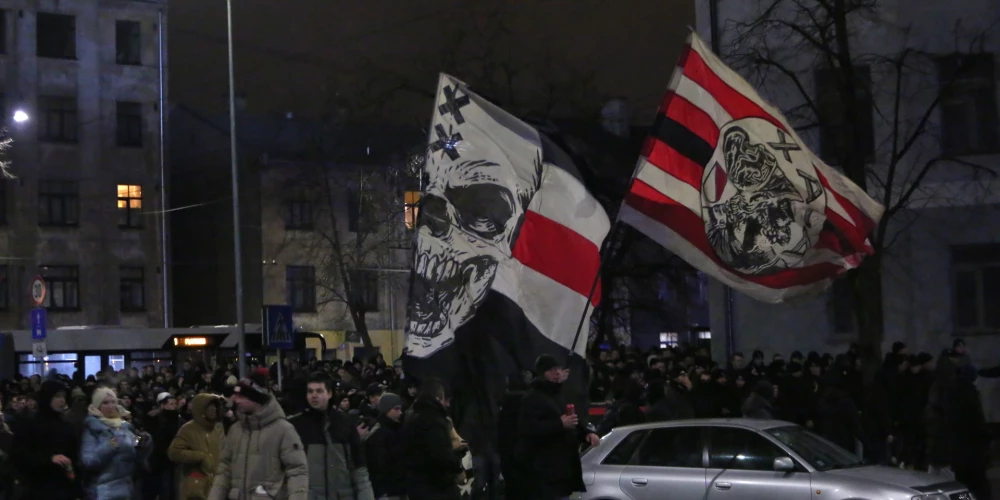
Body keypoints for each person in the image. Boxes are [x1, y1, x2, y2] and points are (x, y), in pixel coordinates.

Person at [208, 370, 309, 500]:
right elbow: (224, 471)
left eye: (241, 396)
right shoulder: (235, 430)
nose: (235, 399)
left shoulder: (283, 430)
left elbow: (297, 472)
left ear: (256, 398)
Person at [517, 355, 600, 500]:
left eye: (559, 369)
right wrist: (559, 424)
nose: (557, 372)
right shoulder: (532, 398)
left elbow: (571, 421)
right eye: (552, 370)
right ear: (543, 373)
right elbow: (528, 429)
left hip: (563, 471)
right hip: (545, 473)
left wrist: (586, 435)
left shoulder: (560, 395)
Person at [289, 373, 375, 500]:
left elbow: (358, 467)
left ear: (329, 393)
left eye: (319, 391)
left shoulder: (345, 422)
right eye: (310, 391)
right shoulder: (297, 425)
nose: (314, 395)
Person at [10, 379, 80, 500]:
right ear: (47, 397)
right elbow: (20, 456)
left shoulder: (66, 425)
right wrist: (49, 459)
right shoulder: (29, 424)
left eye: (64, 396)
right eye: (57, 396)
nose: (62, 400)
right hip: (37, 487)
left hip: (64, 487)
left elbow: (73, 453)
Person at [79, 387, 153, 500]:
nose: (110, 406)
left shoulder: (124, 426)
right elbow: (89, 461)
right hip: (102, 491)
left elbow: (136, 453)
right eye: (105, 403)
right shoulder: (92, 428)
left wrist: (142, 442)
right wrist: (110, 446)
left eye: (113, 402)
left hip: (127, 489)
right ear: (97, 406)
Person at [401, 379, 465, 500]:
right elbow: (441, 454)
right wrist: (458, 468)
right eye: (446, 400)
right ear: (439, 397)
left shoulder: (411, 414)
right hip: (436, 485)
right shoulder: (434, 420)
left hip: (416, 483)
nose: (448, 405)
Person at [168, 393, 226, 500]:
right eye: (209, 406)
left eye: (215, 406)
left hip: (215, 487)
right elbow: (174, 452)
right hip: (195, 488)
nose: (214, 409)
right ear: (200, 409)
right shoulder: (188, 428)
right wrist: (201, 456)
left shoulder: (218, 429)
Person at [364, 392, 407, 500]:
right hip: (388, 492)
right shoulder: (379, 433)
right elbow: (379, 466)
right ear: (386, 410)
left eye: (400, 409)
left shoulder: (397, 429)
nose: (400, 412)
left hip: (400, 488)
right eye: (396, 409)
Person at [145, 391, 184, 500]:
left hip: (175, 458)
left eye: (175, 404)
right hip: (161, 458)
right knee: (165, 486)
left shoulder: (179, 420)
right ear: (163, 405)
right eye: (171, 404)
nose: (174, 407)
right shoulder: (155, 419)